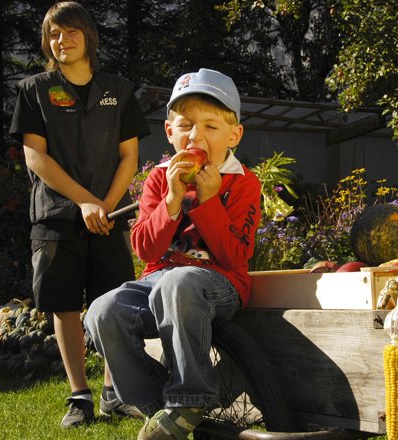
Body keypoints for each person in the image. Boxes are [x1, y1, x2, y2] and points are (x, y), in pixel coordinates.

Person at [84, 68, 261, 440]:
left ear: (234, 135)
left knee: (179, 281)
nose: (195, 135)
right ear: (170, 132)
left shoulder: (242, 182)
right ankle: (156, 406)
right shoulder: (159, 179)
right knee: (102, 311)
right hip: (158, 281)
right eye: (185, 125)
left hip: (220, 284)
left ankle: (191, 397)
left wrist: (210, 202)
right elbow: (145, 249)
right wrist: (172, 201)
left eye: (210, 127)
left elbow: (235, 257)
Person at [9, 1, 149, 428]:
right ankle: (79, 396)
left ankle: (112, 392)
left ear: (88, 36)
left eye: (70, 32)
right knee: (65, 306)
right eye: (53, 33)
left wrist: (105, 205)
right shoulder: (34, 90)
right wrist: (84, 201)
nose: (61, 40)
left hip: (109, 215)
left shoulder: (120, 90)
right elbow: (35, 157)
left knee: (113, 303)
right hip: (55, 217)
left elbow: (130, 157)